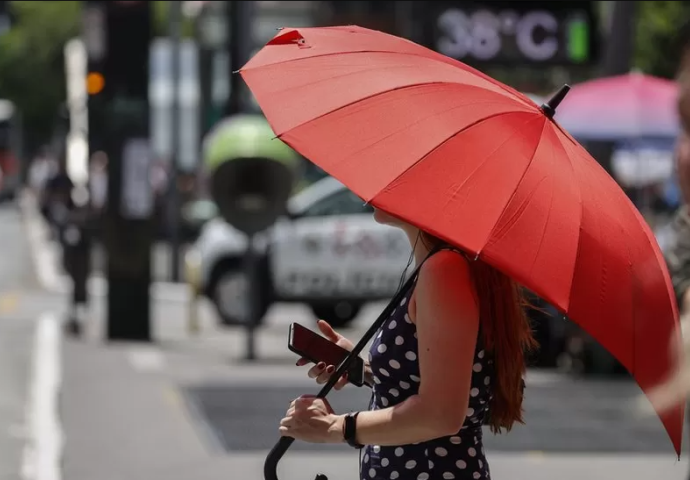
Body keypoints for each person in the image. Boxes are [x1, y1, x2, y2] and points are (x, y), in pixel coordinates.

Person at [281, 207, 537, 480]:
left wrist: (336, 426)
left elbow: (440, 414)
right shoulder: (439, 265)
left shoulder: (445, 269)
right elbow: (427, 378)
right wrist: (363, 369)